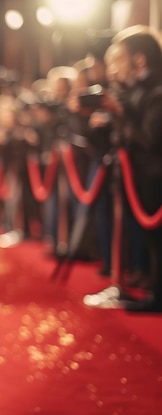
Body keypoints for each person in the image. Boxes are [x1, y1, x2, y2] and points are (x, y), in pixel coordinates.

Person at [100, 26, 162, 311]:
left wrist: (119, 113)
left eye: (118, 61)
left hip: (154, 176)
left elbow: (150, 139)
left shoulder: (157, 92)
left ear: (139, 60)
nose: (113, 69)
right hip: (138, 176)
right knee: (150, 240)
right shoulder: (134, 91)